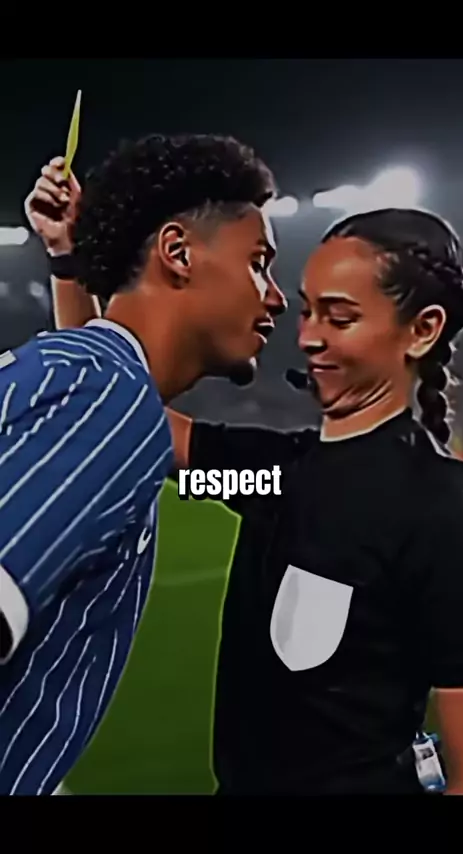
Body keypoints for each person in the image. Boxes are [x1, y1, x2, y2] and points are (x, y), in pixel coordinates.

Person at [31, 177, 463, 793]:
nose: (309, 338)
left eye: (340, 317)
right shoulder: (273, 477)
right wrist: (68, 259)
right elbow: (113, 405)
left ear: (422, 330)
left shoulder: (445, 510)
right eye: (309, 311)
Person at [0, 135, 286, 796]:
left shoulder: (68, 372)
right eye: (258, 263)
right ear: (178, 253)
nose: (277, 298)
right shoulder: (113, 398)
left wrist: (68, 259)